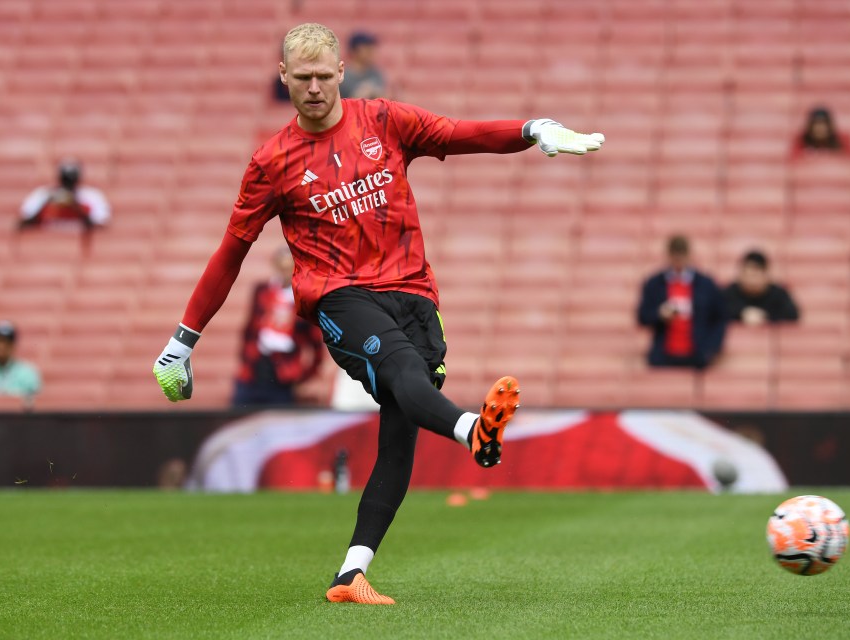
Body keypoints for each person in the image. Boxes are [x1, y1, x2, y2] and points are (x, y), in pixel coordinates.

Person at [153, 22, 603, 604]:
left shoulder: (384, 121)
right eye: (302, 78)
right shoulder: (272, 163)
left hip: (414, 293)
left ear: (342, 74)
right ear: (283, 79)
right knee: (403, 375)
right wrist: (183, 341)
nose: (314, 88)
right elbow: (231, 253)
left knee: (399, 431)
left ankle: (351, 574)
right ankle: (472, 430)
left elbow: (460, 133)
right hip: (339, 295)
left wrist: (531, 129)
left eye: (323, 76)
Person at [233, 246, 325, 407]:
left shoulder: (304, 301)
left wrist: (305, 376)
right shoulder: (262, 291)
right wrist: (246, 357)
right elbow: (250, 328)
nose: (284, 272)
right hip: (253, 369)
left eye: (289, 267)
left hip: (283, 374)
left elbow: (316, 345)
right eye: (281, 266)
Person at [637, 235, 727, 370]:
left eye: (681, 256)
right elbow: (642, 316)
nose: (678, 261)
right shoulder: (654, 283)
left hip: (697, 354)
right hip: (663, 354)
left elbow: (720, 317)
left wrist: (710, 348)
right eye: (675, 256)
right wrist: (659, 314)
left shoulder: (706, 284)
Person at [18, 159, 111, 230]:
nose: (68, 184)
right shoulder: (43, 194)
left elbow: (101, 225)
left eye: (71, 180)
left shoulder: (92, 196)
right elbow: (23, 223)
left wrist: (76, 206)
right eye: (65, 179)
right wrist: (46, 203)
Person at [723, 250, 799, 325]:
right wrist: (741, 314)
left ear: (766, 275)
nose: (752, 281)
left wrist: (765, 317)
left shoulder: (779, 294)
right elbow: (718, 314)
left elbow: (792, 316)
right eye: (748, 275)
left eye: (755, 276)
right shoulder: (729, 294)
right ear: (740, 275)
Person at [338, 31, 386, 99]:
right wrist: (359, 95)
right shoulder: (343, 76)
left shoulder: (376, 73)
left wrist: (372, 91)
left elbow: (385, 99)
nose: (371, 51)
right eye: (366, 47)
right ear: (354, 50)